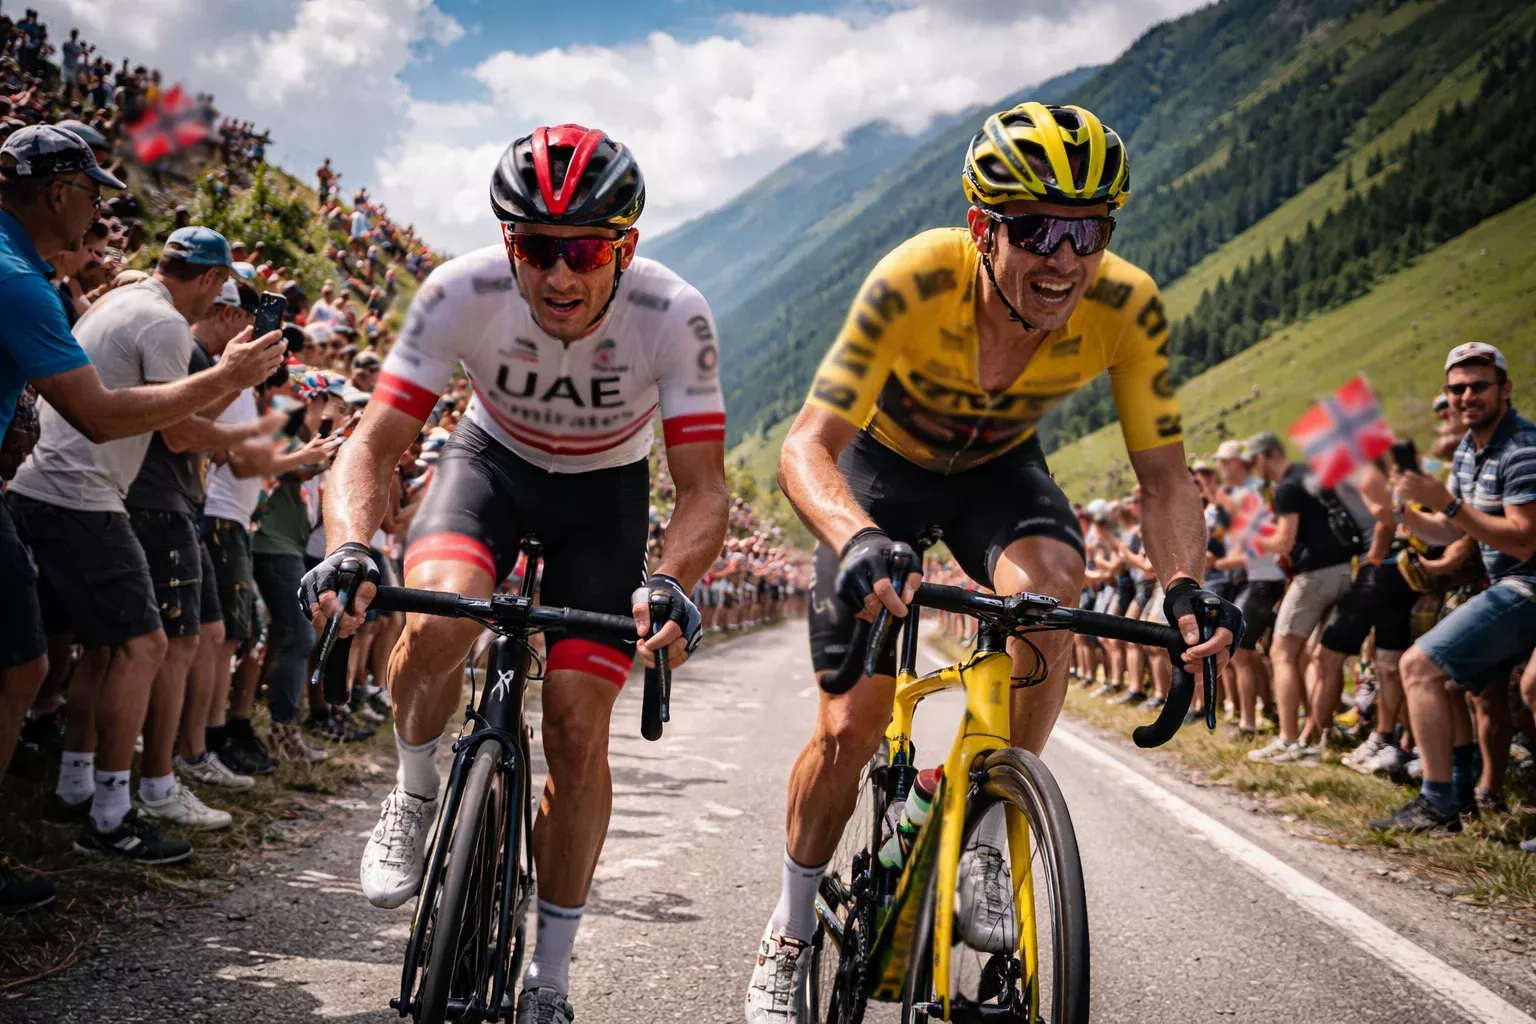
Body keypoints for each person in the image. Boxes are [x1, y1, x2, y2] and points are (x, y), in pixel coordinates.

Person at [748, 102, 1240, 1023]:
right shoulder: (913, 279)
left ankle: (983, 823)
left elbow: (1167, 477)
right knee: (849, 728)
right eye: (1037, 229)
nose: (1065, 257)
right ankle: (789, 927)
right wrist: (855, 538)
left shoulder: (1126, 305)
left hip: (997, 474)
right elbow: (806, 446)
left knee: (1052, 594)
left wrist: (1185, 589)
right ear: (983, 228)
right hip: (880, 472)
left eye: (1088, 230)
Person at [300, 124, 728, 1024]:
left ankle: (551, 976)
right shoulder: (458, 290)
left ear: (627, 247)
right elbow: (371, 444)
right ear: (508, 244)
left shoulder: (674, 314)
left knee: (576, 730)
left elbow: (701, 491)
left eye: (585, 252)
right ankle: (416, 793)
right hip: (488, 468)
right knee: (441, 622)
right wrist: (349, 543)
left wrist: (675, 578)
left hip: (604, 501)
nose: (561, 277)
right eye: (538, 249)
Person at [0, 126, 280, 912]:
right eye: (92, 197)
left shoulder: (124, 295)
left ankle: (79, 785)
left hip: (49, 486)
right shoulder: (155, 320)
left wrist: (224, 385)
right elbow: (168, 432)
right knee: (149, 644)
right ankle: (117, 812)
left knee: (93, 651)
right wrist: (231, 385)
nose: (94, 219)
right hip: (81, 490)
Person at [1371, 343, 1536, 833]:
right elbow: (1456, 531)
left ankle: (1439, 802)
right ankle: (1458, 793)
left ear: (1504, 390)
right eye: (1458, 388)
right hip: (1508, 583)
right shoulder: (1469, 449)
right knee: (1445, 681)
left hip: (1527, 582)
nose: (1467, 396)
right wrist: (1406, 512)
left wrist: (1445, 505)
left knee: (1417, 666)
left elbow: (1524, 540)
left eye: (1479, 386)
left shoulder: (1522, 448)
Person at [1243, 431, 1357, 764]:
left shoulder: (1287, 487)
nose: (1253, 467)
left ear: (1270, 454)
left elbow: (1284, 541)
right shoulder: (1311, 475)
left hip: (1315, 576)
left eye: (1255, 460)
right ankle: (1315, 737)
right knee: (1317, 656)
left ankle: (1288, 739)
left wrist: (1256, 539)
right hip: (1342, 571)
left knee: (1282, 653)